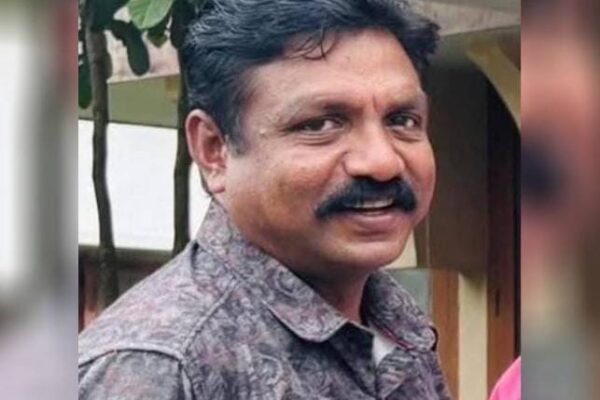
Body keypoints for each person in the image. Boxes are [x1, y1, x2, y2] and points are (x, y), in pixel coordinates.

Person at [78, 0, 451, 399]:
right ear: (213, 149)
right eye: (320, 124)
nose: (382, 162)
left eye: (402, 120)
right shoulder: (158, 369)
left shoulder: (397, 327)